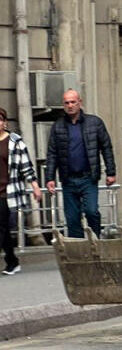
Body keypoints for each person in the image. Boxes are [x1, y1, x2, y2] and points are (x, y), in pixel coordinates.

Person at [45, 89, 117, 238]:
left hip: (88, 177)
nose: (70, 105)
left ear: (80, 103)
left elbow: (106, 147)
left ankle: (95, 241)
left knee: (91, 211)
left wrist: (111, 172)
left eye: (73, 102)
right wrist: (49, 178)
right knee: (72, 218)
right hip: (68, 179)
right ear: (63, 105)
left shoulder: (94, 123)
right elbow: (52, 153)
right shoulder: (58, 126)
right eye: (67, 103)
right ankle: (79, 251)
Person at [0, 108, 42, 275]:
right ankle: (12, 261)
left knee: (1, 227)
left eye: (0, 119)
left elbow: (26, 166)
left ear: (5, 122)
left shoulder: (15, 142)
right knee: (2, 229)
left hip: (6, 191)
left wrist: (35, 185)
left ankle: (12, 262)